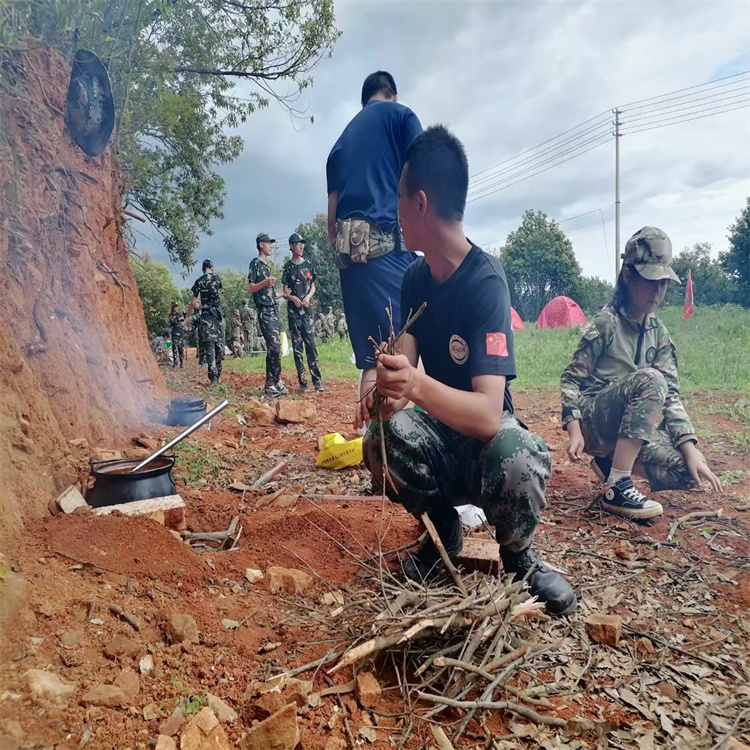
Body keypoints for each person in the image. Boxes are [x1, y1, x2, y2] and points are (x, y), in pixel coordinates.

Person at [360, 125, 576, 617]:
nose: (394, 212)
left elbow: (485, 414)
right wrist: (386, 390)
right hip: (439, 437)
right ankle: (442, 529)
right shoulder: (416, 278)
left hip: (484, 451)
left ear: (419, 202)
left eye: (398, 199)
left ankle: (519, 557)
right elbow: (405, 361)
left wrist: (413, 384)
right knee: (379, 440)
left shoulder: (486, 281)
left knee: (519, 452)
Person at [560, 227, 723, 519]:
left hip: (627, 429)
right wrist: (573, 426)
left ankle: (610, 465)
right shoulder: (606, 324)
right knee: (651, 379)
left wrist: (690, 447)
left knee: (688, 470)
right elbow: (571, 378)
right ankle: (618, 486)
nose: (657, 291)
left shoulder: (658, 332)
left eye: (663, 283)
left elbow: (671, 395)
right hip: (594, 422)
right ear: (627, 276)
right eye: (650, 281)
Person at [326, 71, 423, 422]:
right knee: (408, 349)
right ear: (392, 95)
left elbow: (331, 220)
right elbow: (422, 176)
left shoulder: (339, 143)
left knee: (371, 358)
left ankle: (370, 445)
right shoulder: (402, 117)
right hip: (387, 248)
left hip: (349, 259)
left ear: (363, 101)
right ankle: (395, 448)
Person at [281, 233, 324, 392]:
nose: (301, 246)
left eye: (302, 244)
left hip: (307, 312)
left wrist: (307, 297)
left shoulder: (309, 265)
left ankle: (317, 381)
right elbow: (284, 292)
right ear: (291, 246)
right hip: (294, 313)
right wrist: (292, 298)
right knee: (297, 349)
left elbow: (313, 286)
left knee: (311, 346)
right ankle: (303, 382)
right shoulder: (288, 267)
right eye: (298, 244)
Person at [248, 233, 287, 396]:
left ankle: (272, 382)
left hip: (273, 309)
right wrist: (265, 282)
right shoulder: (255, 263)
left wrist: (282, 294)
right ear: (260, 245)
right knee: (275, 346)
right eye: (268, 243)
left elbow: (268, 293)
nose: (271, 246)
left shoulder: (266, 266)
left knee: (273, 348)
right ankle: (274, 381)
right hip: (264, 311)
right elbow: (251, 288)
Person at [186, 259, 224, 385]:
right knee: (219, 346)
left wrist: (187, 317)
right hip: (217, 317)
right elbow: (218, 293)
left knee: (209, 347)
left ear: (203, 269)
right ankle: (218, 376)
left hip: (206, 317)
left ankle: (213, 378)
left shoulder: (199, 281)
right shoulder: (217, 278)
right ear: (212, 268)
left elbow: (193, 302)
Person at [168, 302, 185, 369]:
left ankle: (182, 363)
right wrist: (179, 319)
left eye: (177, 306)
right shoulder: (171, 315)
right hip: (174, 333)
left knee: (181, 348)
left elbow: (184, 320)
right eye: (175, 307)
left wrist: (185, 314)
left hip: (180, 332)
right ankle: (175, 363)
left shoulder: (179, 314)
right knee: (175, 348)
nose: (176, 308)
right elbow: (172, 322)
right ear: (172, 307)